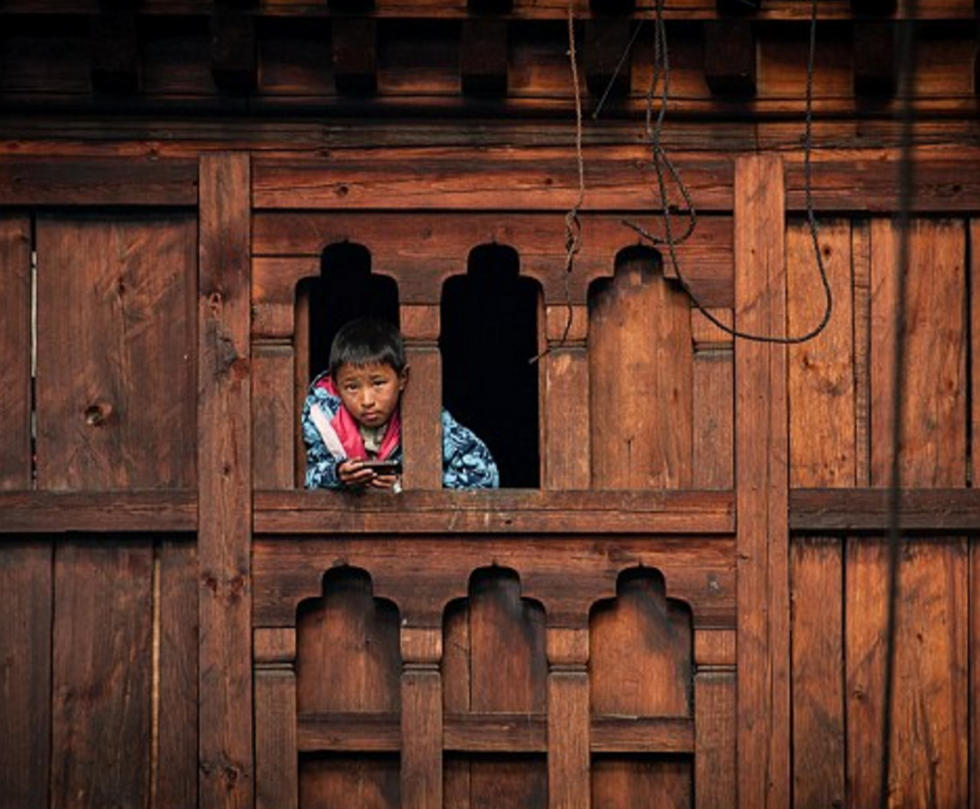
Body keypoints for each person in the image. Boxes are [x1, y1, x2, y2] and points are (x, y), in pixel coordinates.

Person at [303, 318, 499, 491]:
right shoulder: (323, 416)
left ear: (402, 378)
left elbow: (485, 477)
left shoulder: (427, 418)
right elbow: (307, 479)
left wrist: (409, 483)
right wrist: (338, 476)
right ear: (336, 387)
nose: (367, 401)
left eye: (378, 384)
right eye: (352, 387)